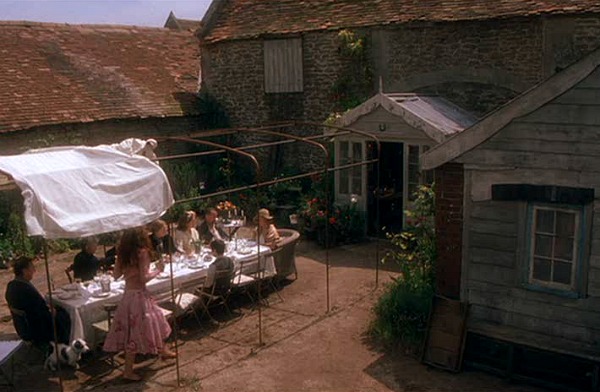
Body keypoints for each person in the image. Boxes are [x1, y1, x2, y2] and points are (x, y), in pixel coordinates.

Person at [103, 227, 175, 381]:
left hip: (128, 297)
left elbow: (115, 275)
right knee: (137, 331)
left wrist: (125, 269)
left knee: (154, 321)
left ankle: (163, 350)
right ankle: (128, 371)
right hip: (139, 296)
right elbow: (144, 278)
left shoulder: (122, 254)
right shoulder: (142, 253)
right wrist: (158, 270)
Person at [5, 256, 71, 346]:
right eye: (32, 268)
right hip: (34, 328)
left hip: (22, 326)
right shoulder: (25, 288)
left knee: (58, 309)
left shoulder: (11, 285)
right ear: (24, 271)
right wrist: (53, 311)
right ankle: (65, 346)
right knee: (65, 315)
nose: (34, 271)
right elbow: (41, 311)